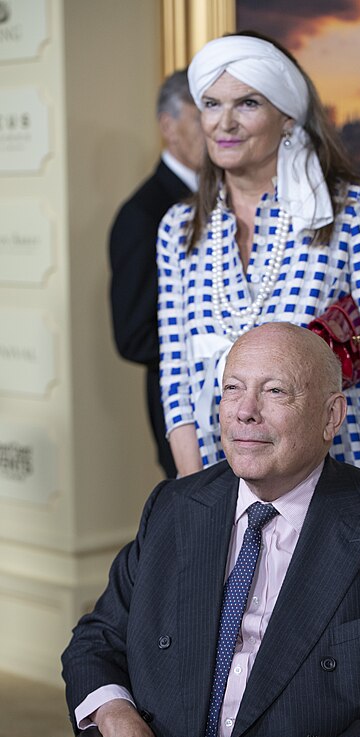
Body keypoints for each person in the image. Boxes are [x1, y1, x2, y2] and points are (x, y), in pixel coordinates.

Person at [62, 322, 360, 737]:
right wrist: (116, 719)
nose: (245, 412)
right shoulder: (173, 507)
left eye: (275, 391)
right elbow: (95, 639)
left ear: (331, 416)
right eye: (233, 389)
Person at [157, 33, 360, 499]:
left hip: (347, 486)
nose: (225, 122)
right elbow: (176, 378)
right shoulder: (179, 229)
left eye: (248, 104)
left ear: (286, 117)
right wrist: (192, 496)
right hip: (224, 489)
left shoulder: (354, 212)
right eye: (212, 103)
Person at [109, 69, 205, 478]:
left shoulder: (228, 198)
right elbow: (134, 337)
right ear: (169, 126)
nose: (218, 127)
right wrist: (215, 353)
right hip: (183, 415)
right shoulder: (143, 213)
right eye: (203, 115)